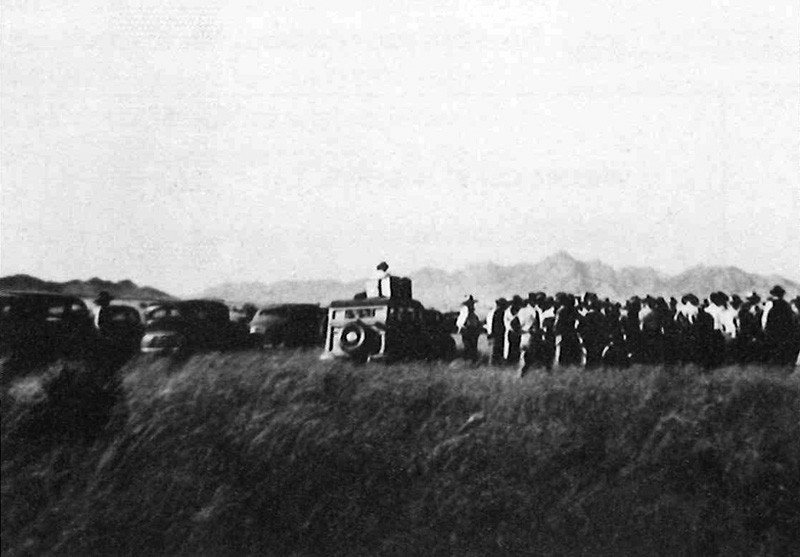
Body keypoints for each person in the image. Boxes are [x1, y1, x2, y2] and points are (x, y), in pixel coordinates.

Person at [762, 285, 795, 365]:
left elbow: (764, 319)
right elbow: (791, 321)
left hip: (772, 333)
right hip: (784, 334)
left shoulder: (770, 304)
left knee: (772, 355)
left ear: (773, 294)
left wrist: (764, 330)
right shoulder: (787, 305)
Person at [455, 295, 483, 362]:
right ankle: (469, 361)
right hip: (468, 331)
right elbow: (461, 323)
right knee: (469, 347)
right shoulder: (465, 313)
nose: (472, 306)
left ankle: (471, 361)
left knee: (472, 347)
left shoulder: (473, 315)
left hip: (472, 332)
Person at [485, 298, 508, 366]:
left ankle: (493, 364)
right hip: (498, 334)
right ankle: (496, 364)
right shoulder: (499, 312)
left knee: (494, 350)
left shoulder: (491, 312)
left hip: (492, 334)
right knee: (497, 350)